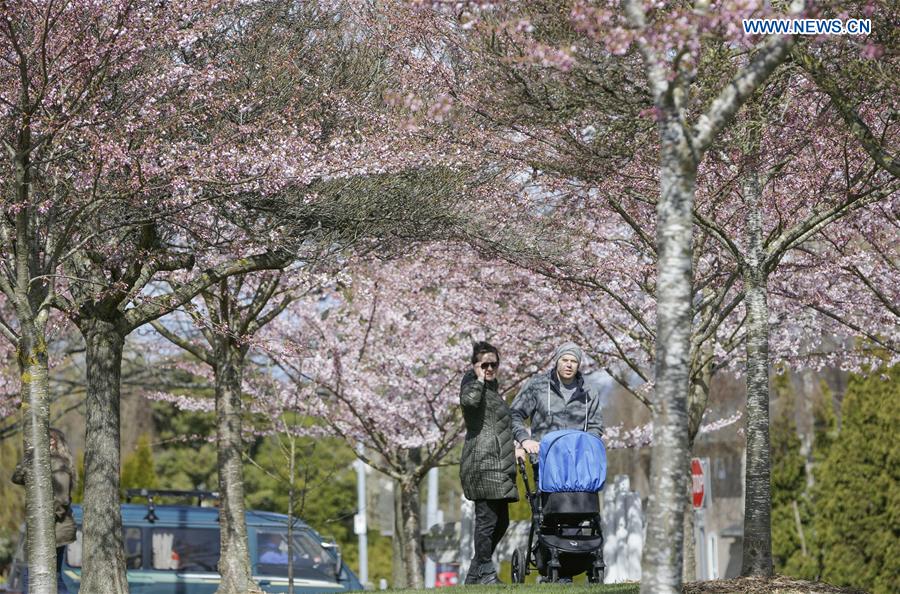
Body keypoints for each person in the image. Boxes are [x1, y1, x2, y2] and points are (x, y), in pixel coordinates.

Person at [459, 341, 518, 585]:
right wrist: (479, 379)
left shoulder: (493, 391)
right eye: (485, 364)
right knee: (487, 520)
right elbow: (470, 401)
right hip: (482, 463)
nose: (490, 368)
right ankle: (484, 571)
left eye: (494, 364)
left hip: (499, 463)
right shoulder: (472, 386)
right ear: (475, 366)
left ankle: (476, 572)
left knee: (501, 521)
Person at [510, 341, 603, 467]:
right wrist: (525, 440)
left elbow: (595, 427)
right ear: (557, 360)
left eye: (574, 361)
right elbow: (513, 414)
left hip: (578, 465)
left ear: (578, 364)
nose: (569, 365)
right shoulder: (537, 385)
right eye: (564, 360)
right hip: (545, 462)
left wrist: (586, 449)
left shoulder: (589, 391)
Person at [12, 428, 77, 594]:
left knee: (37, 575)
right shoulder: (41, 462)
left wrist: (44, 520)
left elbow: (62, 500)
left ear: (52, 441)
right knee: (43, 575)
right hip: (45, 527)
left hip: (55, 528)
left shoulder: (59, 464)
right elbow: (17, 477)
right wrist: (30, 456)